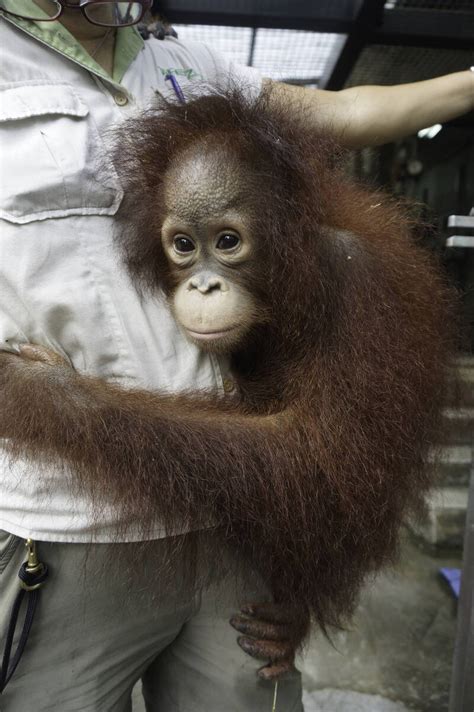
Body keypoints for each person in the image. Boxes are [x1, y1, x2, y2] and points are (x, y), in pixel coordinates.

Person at [0, 2, 472, 710]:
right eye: (183, 250)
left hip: (237, 532)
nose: (205, 281)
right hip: (68, 528)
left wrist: (305, 580)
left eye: (228, 244)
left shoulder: (186, 65)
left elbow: (334, 463)